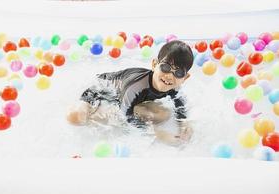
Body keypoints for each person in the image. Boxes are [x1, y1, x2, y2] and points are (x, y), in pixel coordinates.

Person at [66, 40, 194, 145]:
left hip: (124, 99)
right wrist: (158, 134)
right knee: (76, 118)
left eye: (178, 73)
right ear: (154, 64)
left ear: (185, 78)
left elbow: (180, 105)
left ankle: (113, 111)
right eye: (165, 67)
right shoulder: (136, 86)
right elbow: (125, 115)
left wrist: (184, 123)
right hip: (100, 90)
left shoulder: (173, 86)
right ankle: (91, 110)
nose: (169, 76)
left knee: (163, 115)